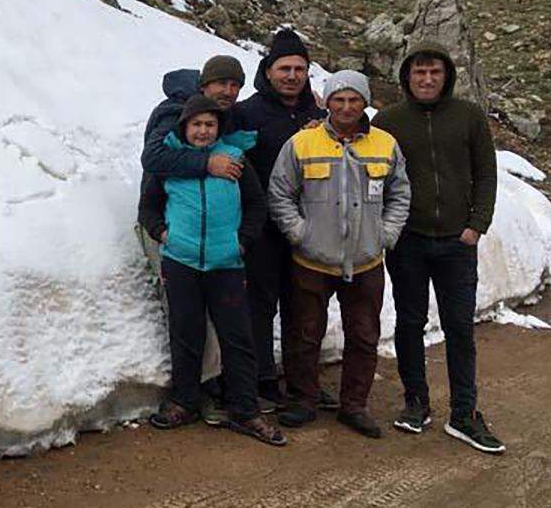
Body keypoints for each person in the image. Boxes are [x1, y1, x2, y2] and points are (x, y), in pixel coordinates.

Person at [373, 42, 505, 454]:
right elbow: (374, 173)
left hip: (456, 241)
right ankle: (416, 402)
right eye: (419, 73)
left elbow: (486, 173)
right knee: (409, 323)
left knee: (460, 328)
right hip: (408, 241)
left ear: (446, 75)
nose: (427, 79)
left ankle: (464, 413)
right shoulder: (389, 120)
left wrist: (476, 225)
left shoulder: (468, 116)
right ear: (406, 77)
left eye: (434, 72)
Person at [267, 70, 411, 438]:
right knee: (304, 334)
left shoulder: (384, 144)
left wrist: (387, 233)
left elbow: (400, 194)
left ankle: (354, 405)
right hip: (312, 260)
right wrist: (300, 233)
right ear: (326, 102)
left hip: (365, 261)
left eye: (354, 100)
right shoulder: (302, 143)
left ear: (365, 103)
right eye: (339, 99)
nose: (346, 107)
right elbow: (280, 193)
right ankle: (303, 399)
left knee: (363, 335)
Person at [143, 95, 286, 446]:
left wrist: (242, 241)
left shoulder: (235, 159)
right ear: (185, 127)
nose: (203, 131)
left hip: (227, 263)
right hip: (182, 262)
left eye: (210, 124)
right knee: (186, 332)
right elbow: (148, 207)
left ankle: (244, 410)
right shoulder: (171, 163)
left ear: (218, 128)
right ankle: (184, 401)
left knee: (237, 337)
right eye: (197, 124)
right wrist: (165, 235)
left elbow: (256, 203)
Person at [137, 54, 247, 424]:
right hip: (173, 224)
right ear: (204, 85)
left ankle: (207, 388)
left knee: (214, 318)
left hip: (213, 234)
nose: (228, 92)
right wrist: (206, 164)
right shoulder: (174, 112)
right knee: (186, 316)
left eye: (235, 85)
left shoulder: (218, 118)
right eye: (221, 84)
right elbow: (153, 158)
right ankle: (195, 393)